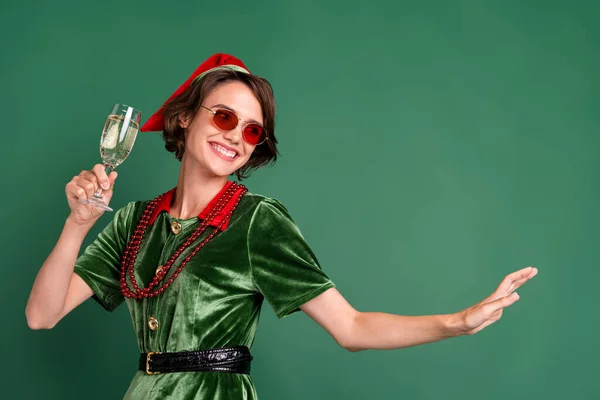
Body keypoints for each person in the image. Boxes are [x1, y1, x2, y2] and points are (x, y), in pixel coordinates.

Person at [25, 53, 538, 399]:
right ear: (185, 119)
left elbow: (351, 327)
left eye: (252, 130)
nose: (237, 137)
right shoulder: (137, 221)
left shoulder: (256, 221)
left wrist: (456, 322)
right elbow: (41, 316)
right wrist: (78, 224)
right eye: (224, 117)